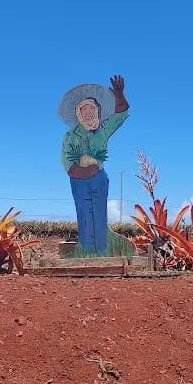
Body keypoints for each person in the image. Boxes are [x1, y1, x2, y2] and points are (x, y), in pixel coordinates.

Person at [59, 75, 129, 255]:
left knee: (99, 214)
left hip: (99, 178)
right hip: (79, 180)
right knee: (84, 214)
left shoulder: (103, 130)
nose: (88, 113)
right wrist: (83, 171)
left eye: (92, 108)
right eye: (84, 109)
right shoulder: (71, 136)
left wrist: (119, 95)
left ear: (98, 111)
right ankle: (87, 250)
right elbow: (67, 161)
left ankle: (102, 251)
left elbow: (120, 115)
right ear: (78, 113)